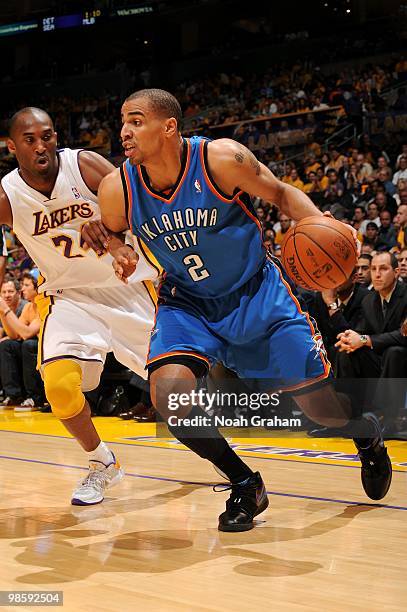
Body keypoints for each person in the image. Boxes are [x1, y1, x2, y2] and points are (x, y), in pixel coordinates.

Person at [96, 88, 392, 531]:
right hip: (188, 303)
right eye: (122, 121)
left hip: (257, 293)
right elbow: (108, 230)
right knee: (168, 395)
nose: (124, 131)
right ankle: (244, 483)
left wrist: (325, 224)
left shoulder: (221, 160)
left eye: (136, 121)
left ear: (169, 127)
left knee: (320, 410)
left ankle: (364, 432)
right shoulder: (117, 188)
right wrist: (117, 247)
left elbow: (282, 195)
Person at [0, 107, 159, 505]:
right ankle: (102, 463)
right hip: (68, 297)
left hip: (126, 287)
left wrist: (112, 227)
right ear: (11, 146)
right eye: (30, 139)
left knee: (179, 398)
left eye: (47, 136)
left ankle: (234, 466)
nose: (41, 146)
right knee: (59, 387)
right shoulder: (7, 195)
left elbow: (139, 203)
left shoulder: (83, 165)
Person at [336, 252, 407, 435]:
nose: (376, 274)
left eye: (383, 269)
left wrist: (365, 340)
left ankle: (389, 419)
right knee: (347, 351)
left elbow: (403, 335)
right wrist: (349, 338)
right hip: (380, 360)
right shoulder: (369, 300)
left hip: (401, 359)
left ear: (397, 272)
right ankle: (350, 417)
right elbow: (362, 331)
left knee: (395, 352)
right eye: (373, 269)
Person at [0, 272, 44, 409]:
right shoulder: (28, 307)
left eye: (26, 285)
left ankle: (34, 398)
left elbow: (26, 333)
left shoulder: (43, 305)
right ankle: (14, 395)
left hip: (45, 347)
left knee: (29, 344)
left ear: (37, 287)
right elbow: (14, 335)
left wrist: (5, 309)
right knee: (8, 345)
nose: (22, 289)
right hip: (32, 346)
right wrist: (2, 313)